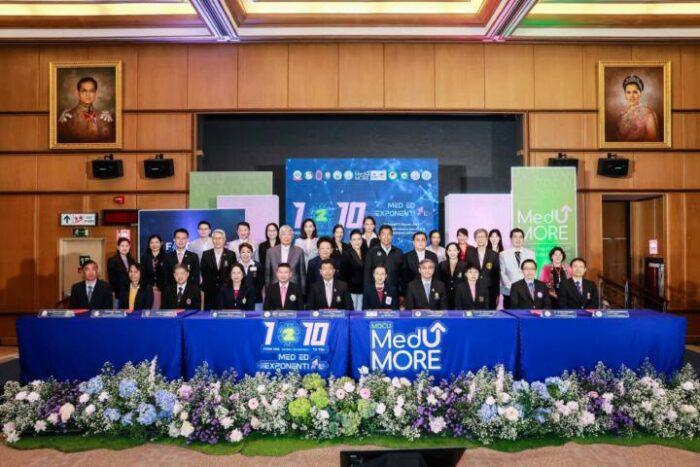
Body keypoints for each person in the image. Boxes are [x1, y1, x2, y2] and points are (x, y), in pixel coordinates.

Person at [57, 76, 115, 143]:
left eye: (91, 91)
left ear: (95, 94)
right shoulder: (66, 118)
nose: (88, 94)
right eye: (84, 91)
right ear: (78, 93)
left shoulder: (104, 118)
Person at [616, 75, 660, 143]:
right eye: (628, 92)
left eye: (635, 92)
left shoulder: (648, 113)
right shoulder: (621, 116)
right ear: (625, 95)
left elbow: (652, 140)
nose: (631, 96)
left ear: (640, 94)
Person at [499, 228, 535, 309]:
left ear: (523, 239)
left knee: (526, 314)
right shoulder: (503, 254)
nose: (518, 239)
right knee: (510, 315)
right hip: (509, 291)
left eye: (520, 237)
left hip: (527, 291)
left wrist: (528, 286)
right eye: (515, 237)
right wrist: (513, 288)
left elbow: (534, 271)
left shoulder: (531, 253)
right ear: (511, 239)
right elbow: (502, 273)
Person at [200, 229, 236, 310]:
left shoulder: (231, 254)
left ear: (224, 240)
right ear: (212, 240)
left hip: (226, 290)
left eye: (220, 238)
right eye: (215, 238)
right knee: (209, 315)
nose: (217, 241)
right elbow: (203, 272)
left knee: (225, 314)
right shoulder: (206, 254)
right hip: (210, 292)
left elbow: (232, 273)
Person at [363, 225, 404, 294]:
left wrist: (401, 293)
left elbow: (402, 275)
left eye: (389, 234)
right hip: (376, 292)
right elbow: (367, 274)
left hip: (394, 291)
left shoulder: (398, 252)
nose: (386, 237)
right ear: (379, 237)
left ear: (392, 236)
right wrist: (368, 291)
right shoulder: (372, 252)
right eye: (383, 234)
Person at [265, 225, 306, 290]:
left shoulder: (299, 251)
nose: (286, 237)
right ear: (279, 236)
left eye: (289, 235)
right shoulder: (270, 251)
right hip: (275, 288)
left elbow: (302, 274)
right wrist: (267, 291)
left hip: (294, 288)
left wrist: (303, 292)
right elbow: (267, 274)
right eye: (284, 234)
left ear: (292, 237)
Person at [468, 228, 501, 309]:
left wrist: (497, 293)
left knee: (490, 313)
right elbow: (467, 272)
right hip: (474, 289)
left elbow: (497, 276)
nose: (480, 239)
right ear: (475, 239)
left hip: (490, 290)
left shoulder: (494, 255)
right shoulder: (470, 254)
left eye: (482, 237)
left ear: (486, 238)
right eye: (478, 237)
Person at [107, 237, 136, 307]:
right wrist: (120, 291)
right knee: (119, 312)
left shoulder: (132, 260)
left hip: (131, 292)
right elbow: (112, 279)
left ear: (129, 247)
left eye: (127, 246)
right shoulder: (112, 260)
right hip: (118, 293)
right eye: (122, 246)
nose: (124, 248)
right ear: (118, 247)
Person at [341, 229, 365, 310]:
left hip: (363, 289)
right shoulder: (346, 254)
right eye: (354, 239)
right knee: (352, 312)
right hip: (351, 289)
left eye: (359, 239)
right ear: (350, 241)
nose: (357, 242)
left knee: (360, 312)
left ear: (362, 240)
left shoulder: (366, 252)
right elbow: (343, 275)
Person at [140, 234, 167, 309]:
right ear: (149, 245)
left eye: (157, 242)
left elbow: (167, 274)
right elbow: (142, 274)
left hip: (163, 289)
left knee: (162, 310)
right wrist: (149, 286)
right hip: (148, 289)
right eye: (152, 242)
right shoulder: (144, 257)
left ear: (161, 243)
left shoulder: (166, 257)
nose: (154, 245)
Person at [438, 242, 466, 310]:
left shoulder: (465, 265)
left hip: (460, 295)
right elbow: (438, 281)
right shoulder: (441, 265)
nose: (452, 252)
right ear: (447, 252)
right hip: (445, 296)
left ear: (458, 251)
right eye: (450, 250)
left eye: (454, 250)